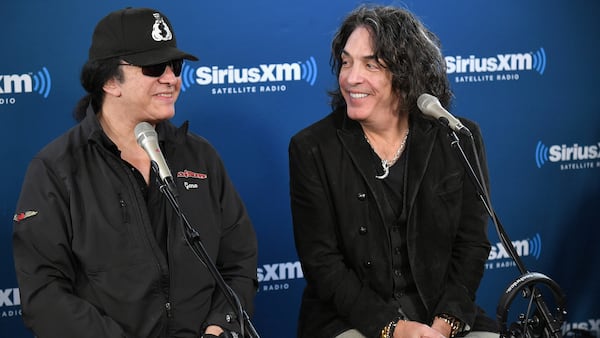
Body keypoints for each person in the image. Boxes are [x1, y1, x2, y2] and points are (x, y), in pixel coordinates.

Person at [12, 7, 258, 338]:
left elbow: (239, 261)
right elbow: (44, 295)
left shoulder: (201, 156)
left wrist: (220, 328)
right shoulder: (55, 170)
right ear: (110, 81)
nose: (171, 78)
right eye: (155, 67)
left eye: (176, 66)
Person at [289, 5, 499, 338]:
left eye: (370, 64)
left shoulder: (457, 138)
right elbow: (322, 263)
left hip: (441, 314)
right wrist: (394, 328)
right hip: (351, 318)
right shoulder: (312, 148)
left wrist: (444, 324)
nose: (350, 77)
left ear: (406, 73)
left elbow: (472, 244)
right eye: (346, 62)